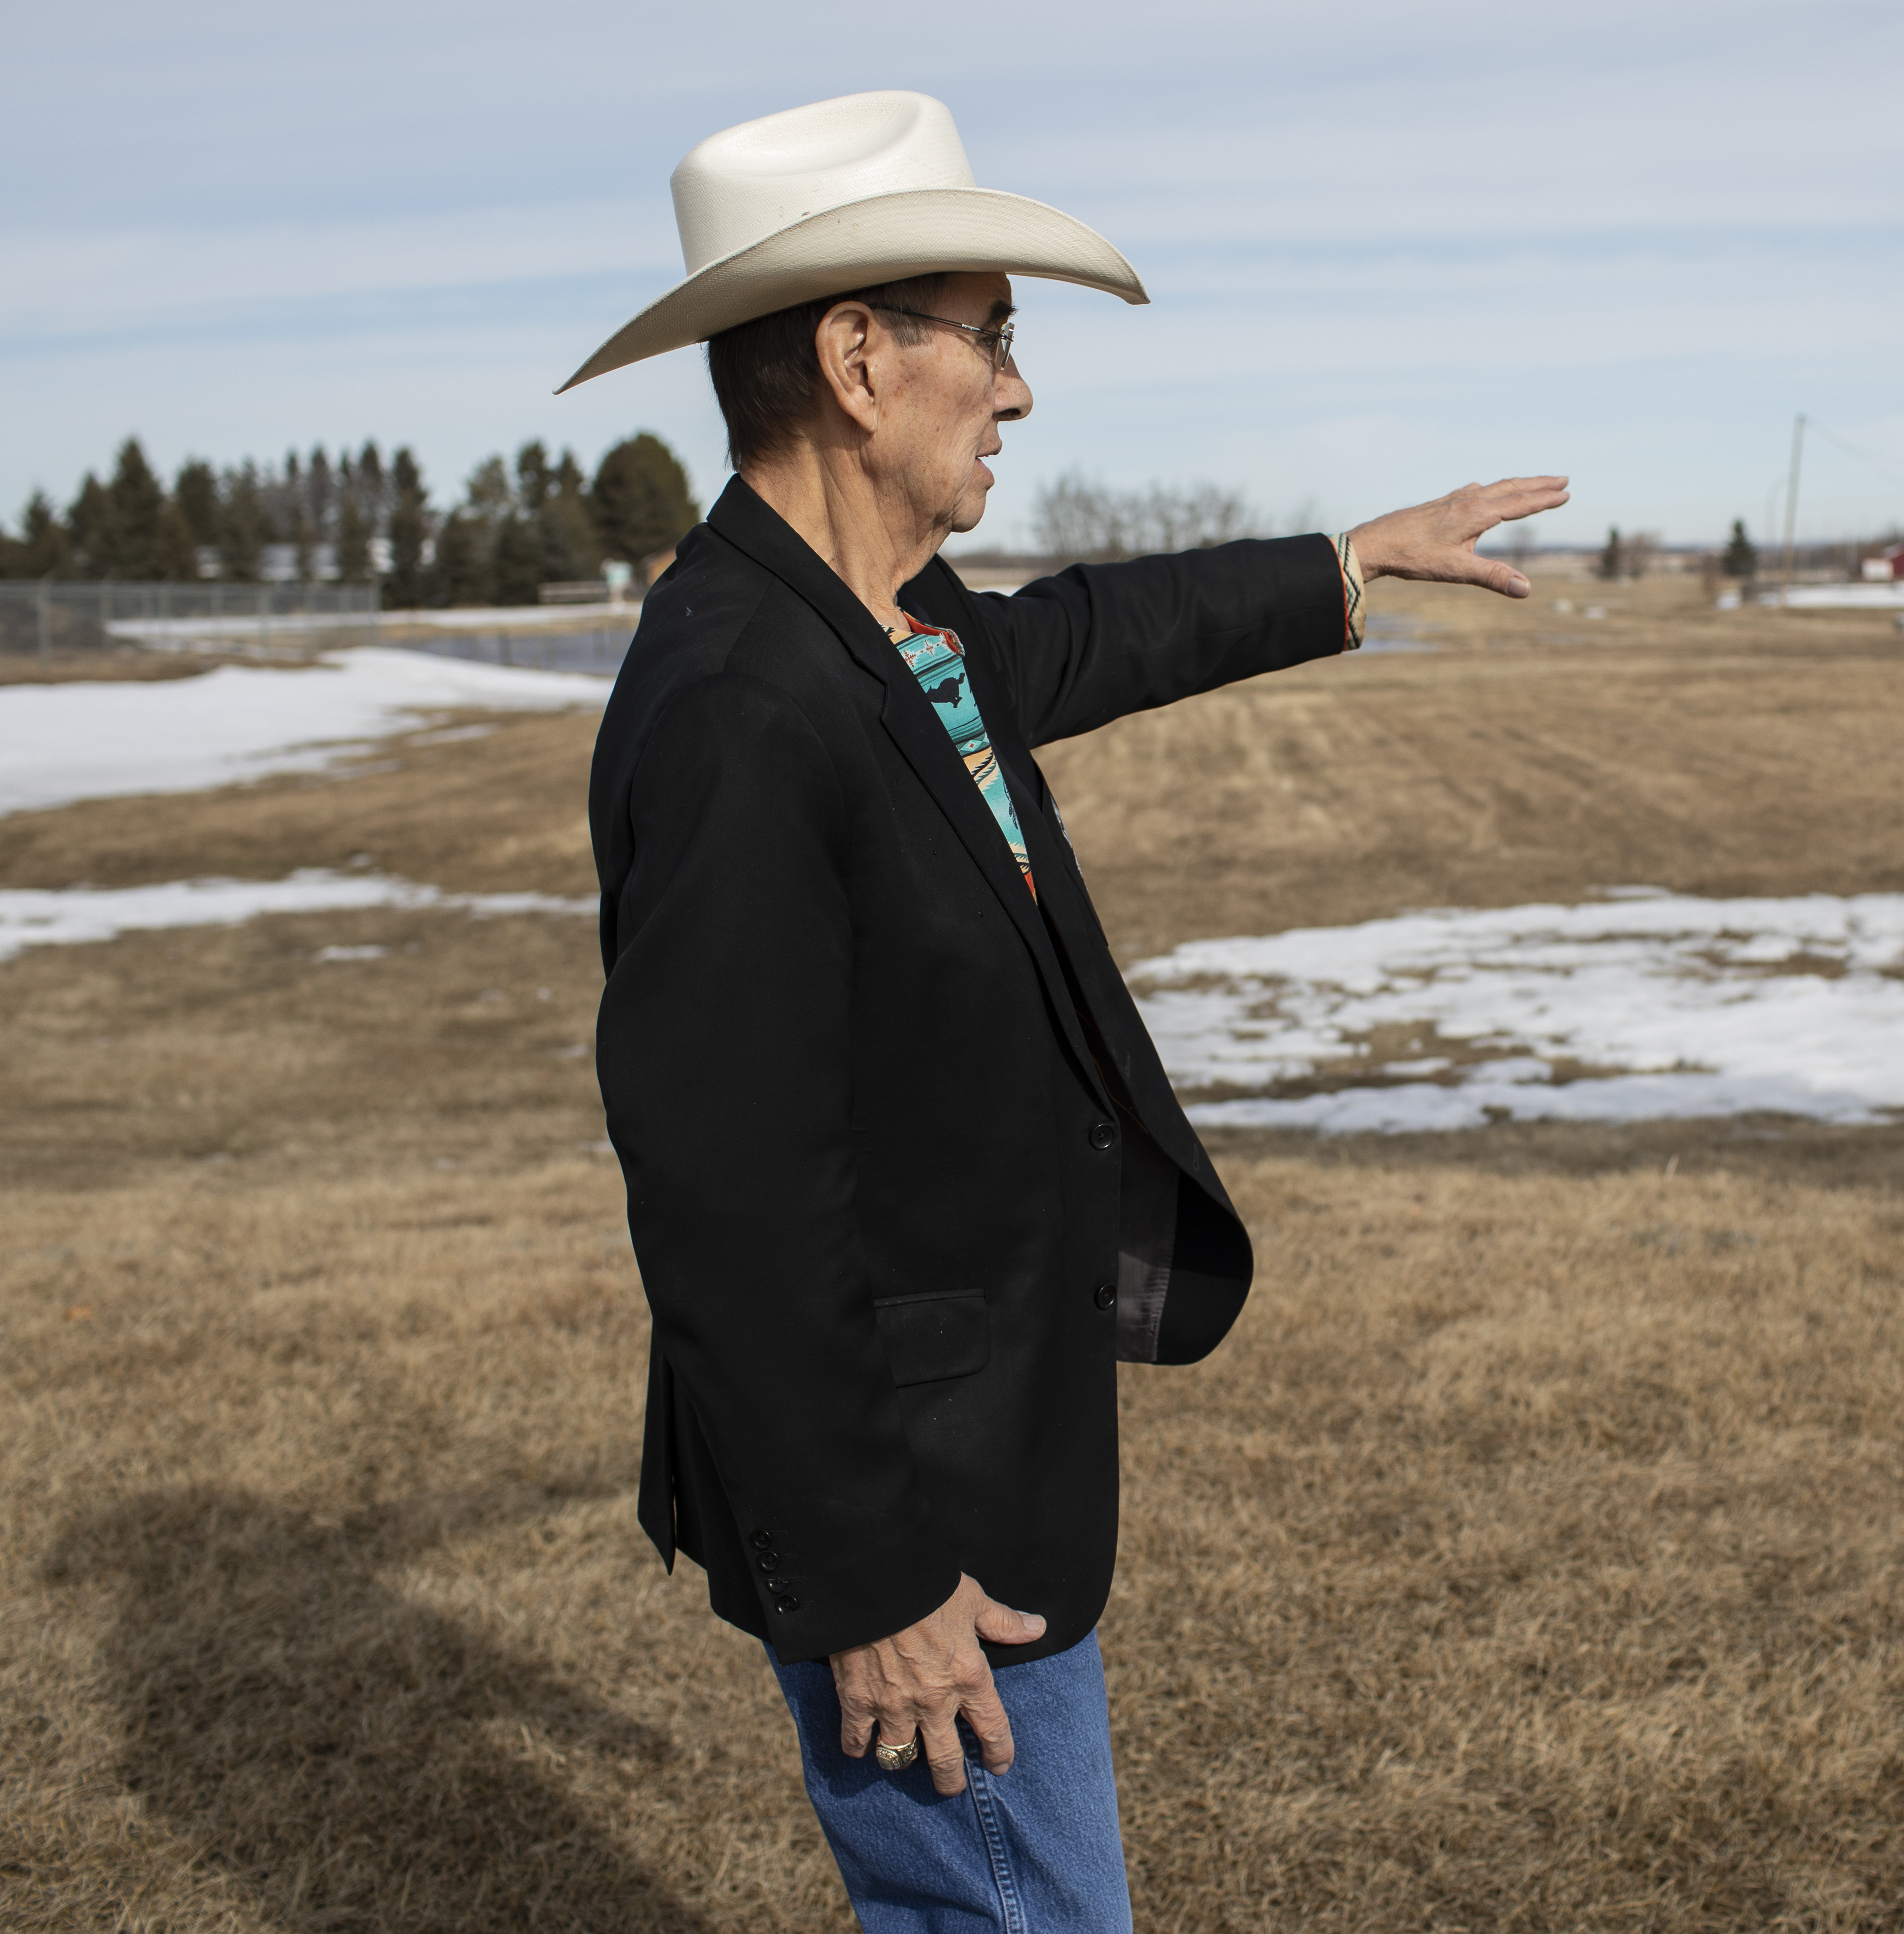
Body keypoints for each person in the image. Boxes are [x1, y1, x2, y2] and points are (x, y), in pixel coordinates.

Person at [565, 90, 1565, 1934]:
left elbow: (1080, 639)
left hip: (977, 1467)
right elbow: (728, 1192)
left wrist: (1346, 562)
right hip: (912, 1518)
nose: (1018, 390)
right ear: (862, 360)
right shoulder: (741, 701)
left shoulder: (888, 626)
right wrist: (870, 1576)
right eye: (995, 334)